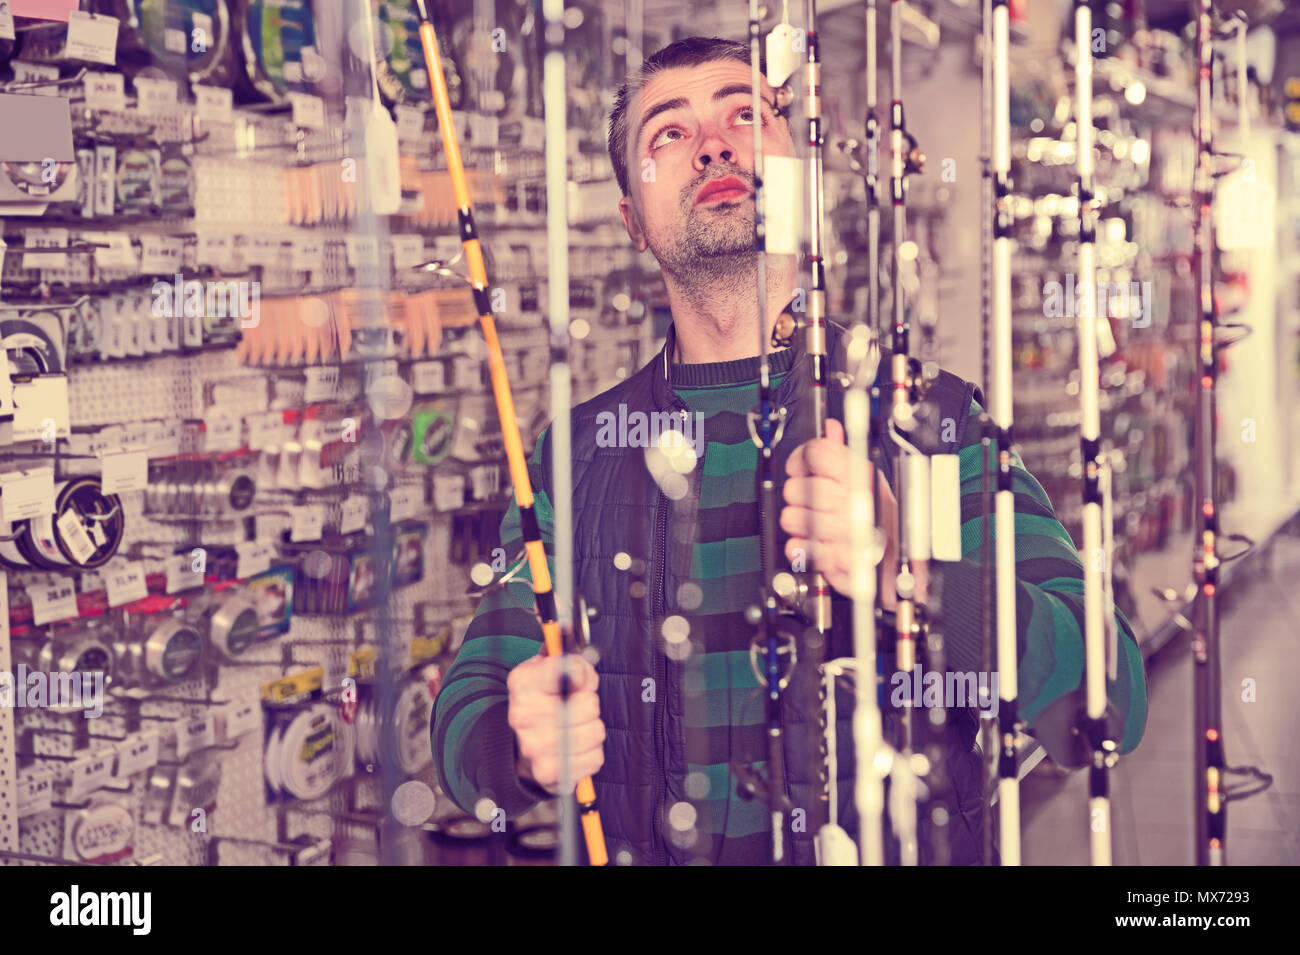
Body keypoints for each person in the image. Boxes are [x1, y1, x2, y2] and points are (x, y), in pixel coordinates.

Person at [432, 36, 1148, 865]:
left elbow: (1111, 701)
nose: (714, 143)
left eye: (747, 114)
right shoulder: (576, 454)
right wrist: (516, 748)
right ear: (632, 219)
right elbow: (469, 718)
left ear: (802, 177)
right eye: (668, 134)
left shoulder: (934, 418)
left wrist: (907, 570)